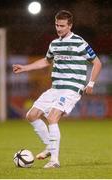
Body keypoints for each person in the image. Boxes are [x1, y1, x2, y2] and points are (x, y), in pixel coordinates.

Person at [12, 10, 102, 168]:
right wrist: (25, 68)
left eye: (62, 25)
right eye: (56, 25)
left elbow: (97, 63)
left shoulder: (80, 42)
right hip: (56, 88)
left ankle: (54, 160)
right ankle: (49, 146)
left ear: (70, 26)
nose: (59, 28)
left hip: (72, 87)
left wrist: (91, 83)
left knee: (52, 117)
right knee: (31, 115)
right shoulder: (54, 44)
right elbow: (46, 61)